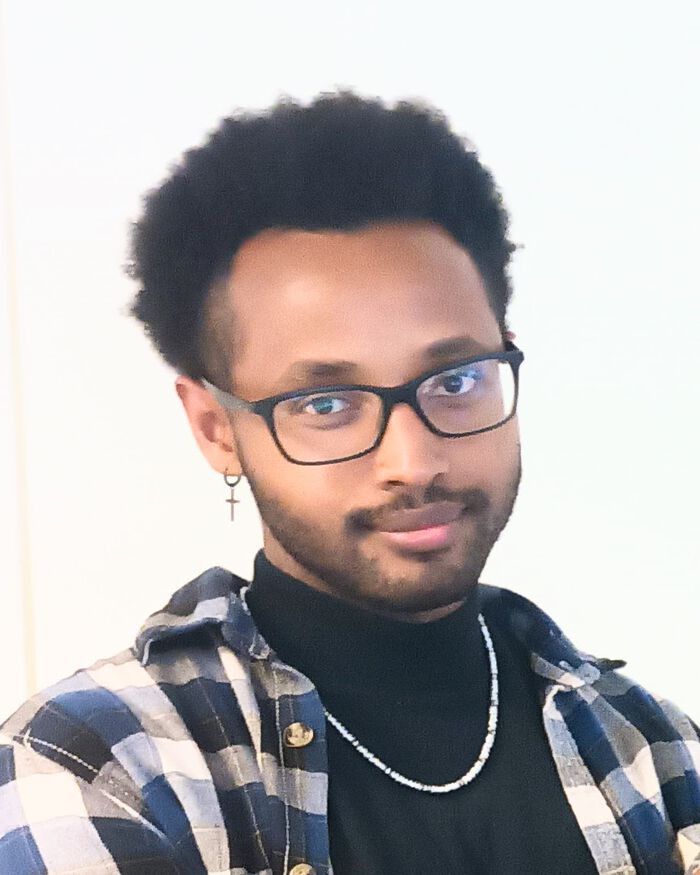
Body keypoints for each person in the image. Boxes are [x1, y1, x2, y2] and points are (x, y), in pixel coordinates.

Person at [1, 91, 698, 875]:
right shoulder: (100, 764)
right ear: (216, 427)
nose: (414, 460)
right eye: (326, 403)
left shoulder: (655, 748)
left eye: (456, 380)